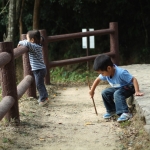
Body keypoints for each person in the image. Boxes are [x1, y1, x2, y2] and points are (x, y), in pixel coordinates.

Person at [89, 54, 143, 122]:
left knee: (117, 93)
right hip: (119, 88)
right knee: (105, 92)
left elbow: (134, 79)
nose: (101, 75)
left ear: (109, 68)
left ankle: (125, 112)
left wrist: (137, 91)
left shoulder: (121, 73)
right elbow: (98, 79)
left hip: (129, 87)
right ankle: (112, 110)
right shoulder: (107, 73)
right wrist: (92, 90)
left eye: (102, 73)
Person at [18, 30, 49, 107]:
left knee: (39, 84)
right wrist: (25, 40)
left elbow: (26, 43)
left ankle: (43, 99)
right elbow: (27, 42)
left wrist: (20, 42)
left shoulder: (33, 46)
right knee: (40, 84)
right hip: (40, 69)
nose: (26, 39)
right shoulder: (37, 45)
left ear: (32, 40)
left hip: (39, 70)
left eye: (27, 38)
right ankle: (44, 97)